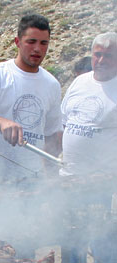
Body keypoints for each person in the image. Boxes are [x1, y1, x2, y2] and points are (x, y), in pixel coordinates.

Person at [0, 14, 62, 181]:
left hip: (30, 180)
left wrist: (48, 175)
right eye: (31, 42)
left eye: (43, 43)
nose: (37, 49)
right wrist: (1, 123)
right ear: (17, 42)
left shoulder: (52, 84)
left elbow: (53, 135)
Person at [61, 32, 117, 263]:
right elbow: (64, 123)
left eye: (109, 56)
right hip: (67, 181)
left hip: (100, 186)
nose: (101, 61)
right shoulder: (79, 81)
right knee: (71, 246)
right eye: (98, 55)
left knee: (103, 247)